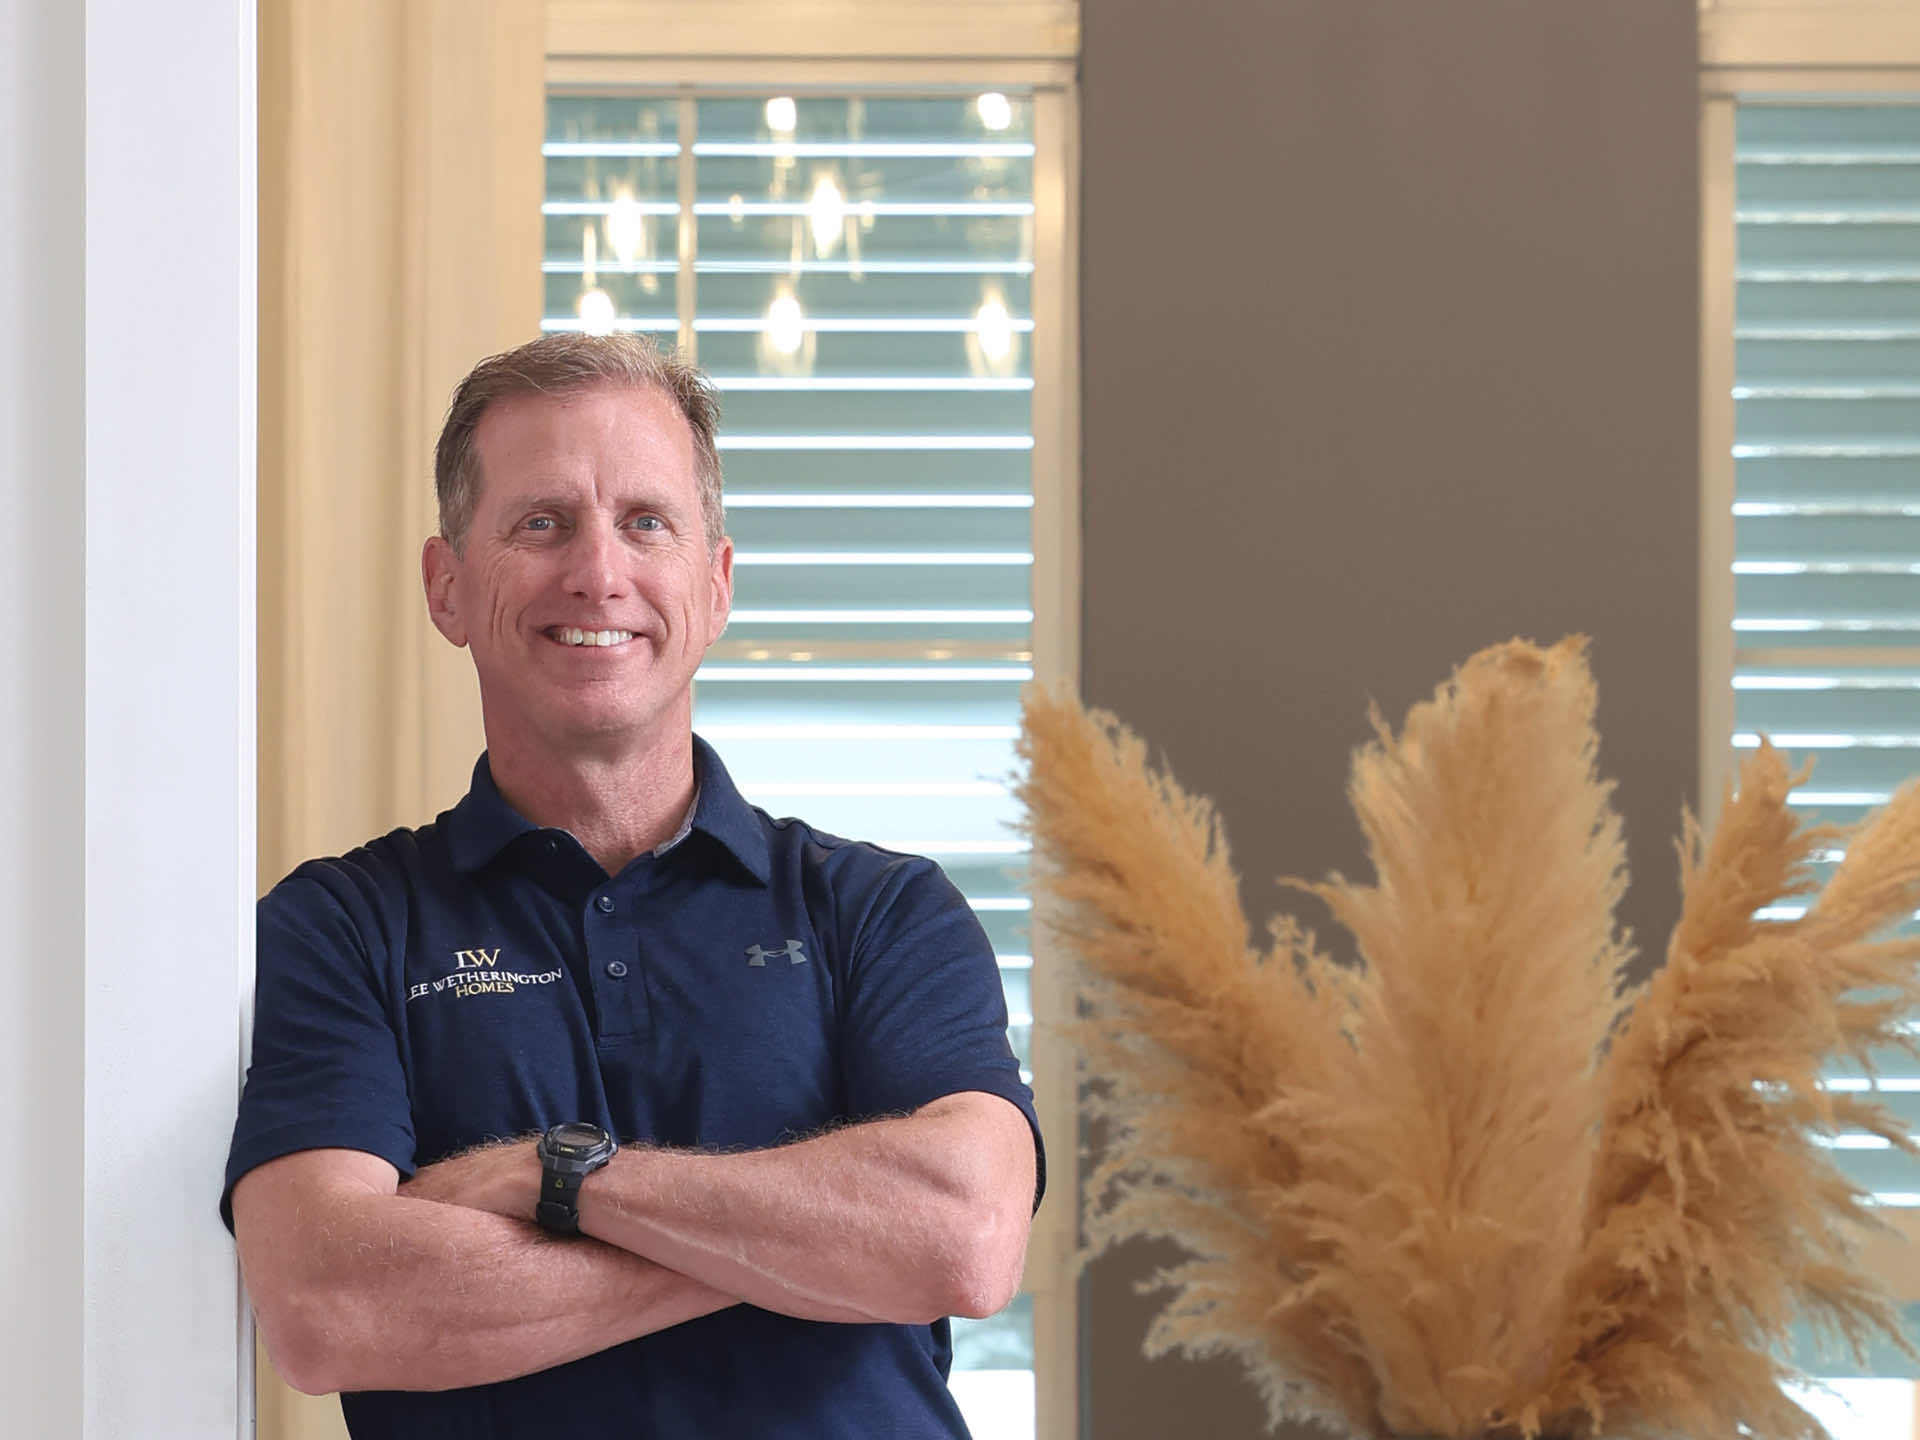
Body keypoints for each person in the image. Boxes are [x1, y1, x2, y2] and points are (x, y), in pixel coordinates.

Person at [223, 332, 1044, 1439]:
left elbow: (962, 1239)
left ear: (715, 584)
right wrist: (819, 1244)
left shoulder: (883, 914)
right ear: (448, 586)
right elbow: (332, 1305)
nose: (597, 572)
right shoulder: (340, 928)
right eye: (541, 523)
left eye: (646, 522)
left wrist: (548, 1178)